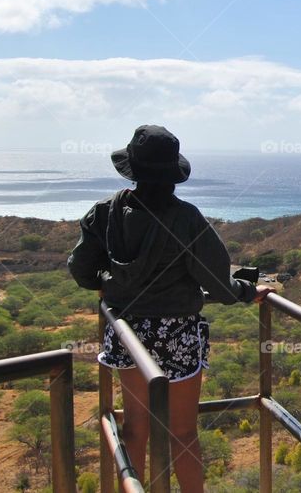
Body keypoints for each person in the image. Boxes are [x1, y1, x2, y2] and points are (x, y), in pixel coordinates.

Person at [68, 125, 274, 491]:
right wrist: (248, 291)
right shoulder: (187, 218)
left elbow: (81, 270)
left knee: (134, 427)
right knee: (182, 432)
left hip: (127, 332)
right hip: (178, 333)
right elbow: (218, 283)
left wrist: (111, 282)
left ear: (132, 167)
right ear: (172, 173)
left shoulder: (104, 213)